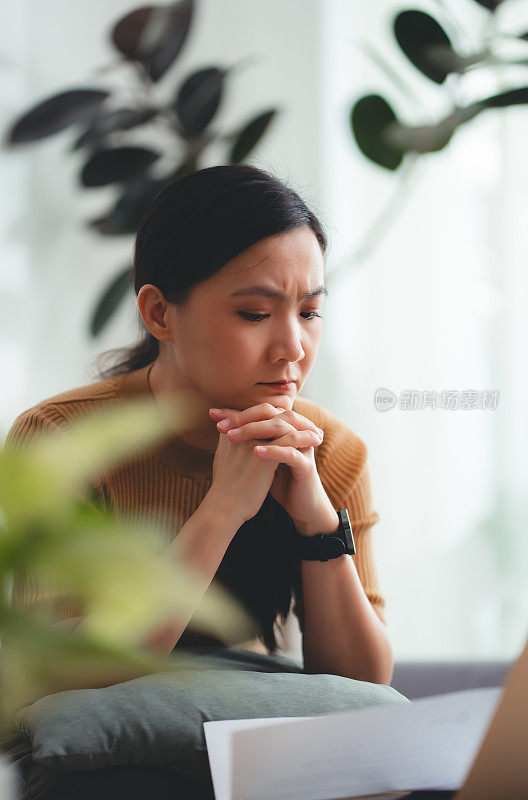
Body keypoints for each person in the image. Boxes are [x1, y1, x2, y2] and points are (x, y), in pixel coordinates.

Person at [3, 164, 397, 796]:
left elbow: (362, 683)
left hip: (252, 746)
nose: (292, 346)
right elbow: (63, 671)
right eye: (254, 313)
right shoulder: (61, 439)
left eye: (311, 311)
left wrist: (317, 523)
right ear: (160, 313)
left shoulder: (329, 450)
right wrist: (221, 510)